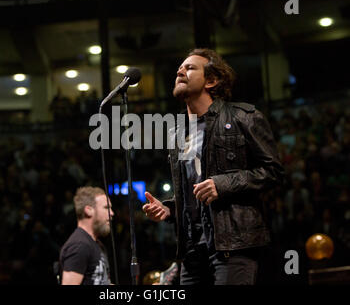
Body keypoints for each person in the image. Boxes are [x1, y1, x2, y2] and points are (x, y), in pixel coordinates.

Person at [142, 48, 284, 285]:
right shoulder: (177, 132)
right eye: (180, 67)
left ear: (211, 80)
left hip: (233, 244)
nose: (180, 70)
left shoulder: (243, 117)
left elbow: (273, 172)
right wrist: (170, 209)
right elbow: (192, 190)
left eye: (190, 67)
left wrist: (222, 184)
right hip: (191, 249)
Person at [59, 186, 113, 285]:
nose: (112, 213)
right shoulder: (79, 246)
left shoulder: (96, 244)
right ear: (88, 210)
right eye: (106, 208)